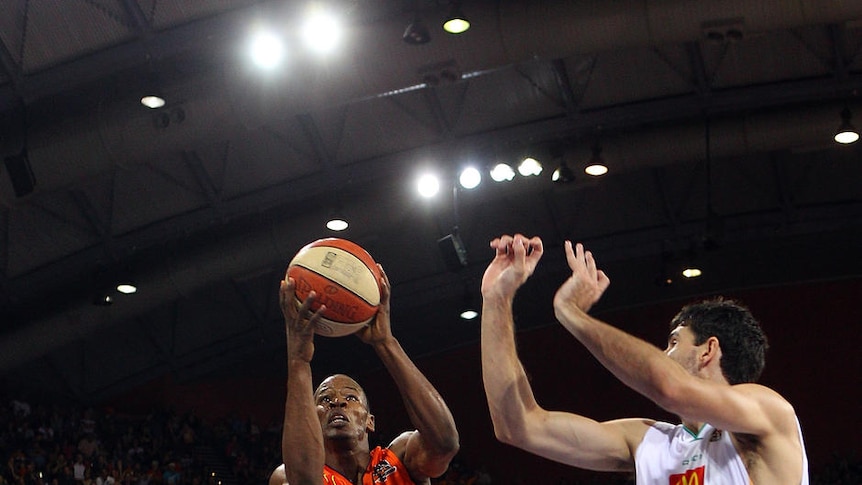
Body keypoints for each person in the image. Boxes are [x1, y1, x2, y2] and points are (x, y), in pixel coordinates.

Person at [480, 234, 809, 484]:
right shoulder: (648, 441)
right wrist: (497, 300)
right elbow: (518, 426)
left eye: (673, 342)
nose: (664, 354)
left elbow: (669, 387)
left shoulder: (767, 412)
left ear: (708, 350)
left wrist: (570, 313)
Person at [269, 264, 459, 485]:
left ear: (370, 422)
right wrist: (298, 361)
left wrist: (386, 342)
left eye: (350, 398)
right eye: (325, 399)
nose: (337, 402)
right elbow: (304, 480)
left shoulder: (401, 459)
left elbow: (445, 443)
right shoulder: (284, 476)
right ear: (313, 421)